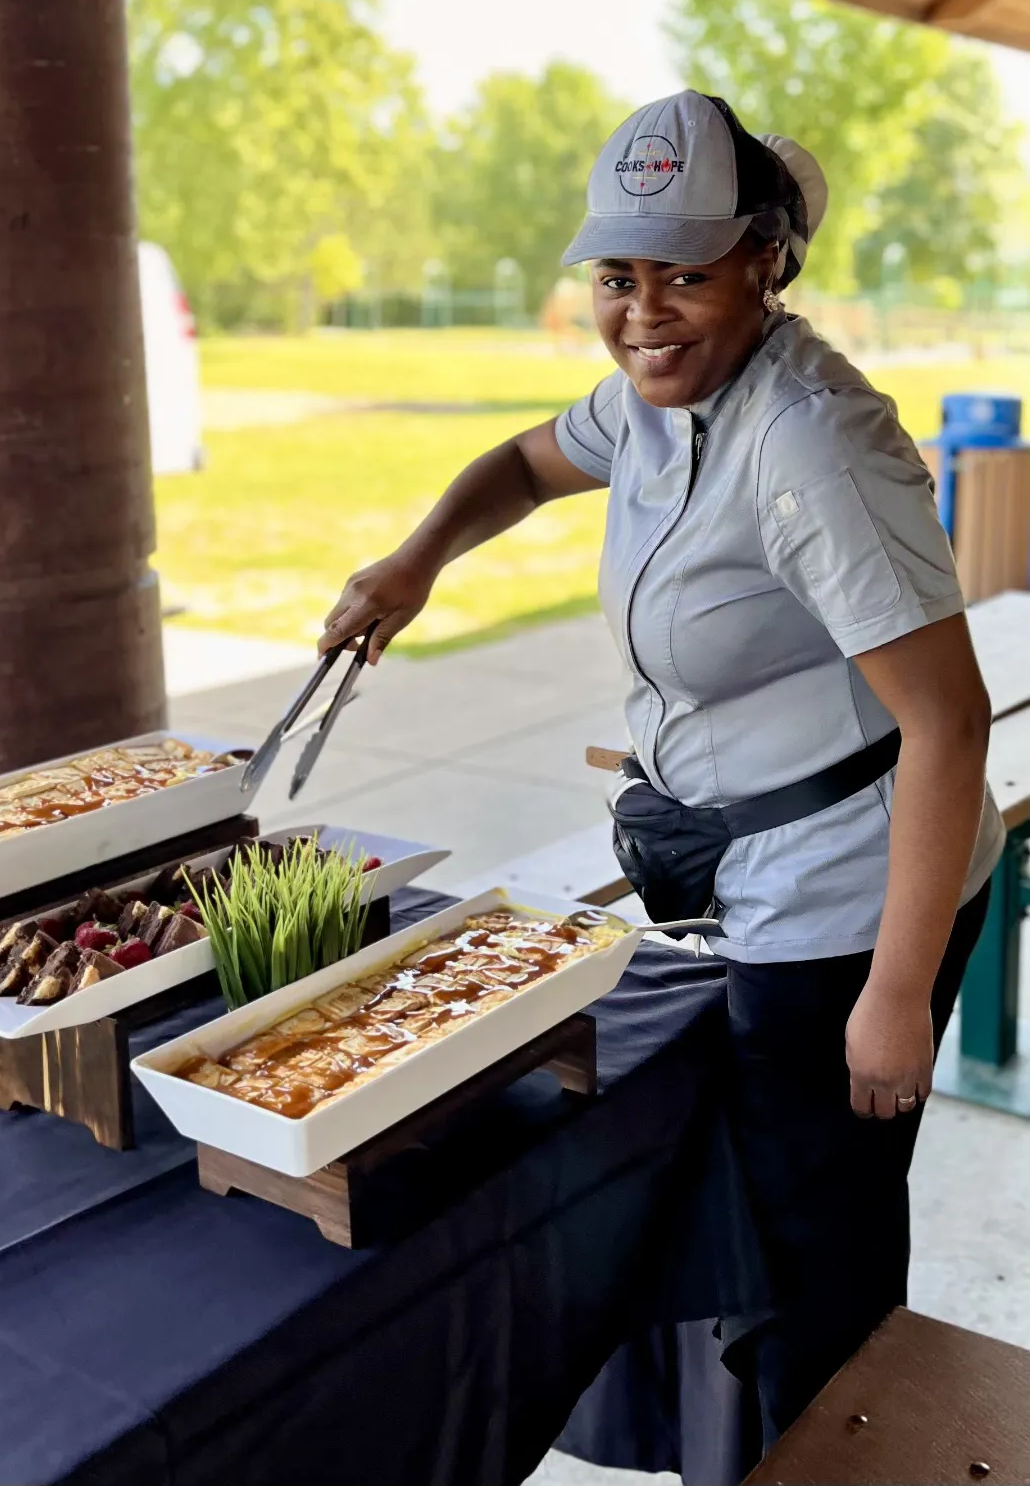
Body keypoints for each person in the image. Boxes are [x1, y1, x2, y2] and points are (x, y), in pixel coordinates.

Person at [319, 91, 1002, 1456]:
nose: (643, 311)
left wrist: (895, 991)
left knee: (819, 1254)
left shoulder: (809, 444)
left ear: (766, 261)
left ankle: (841, 1447)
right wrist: (415, 559)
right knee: (750, 1215)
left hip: (850, 897)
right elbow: (517, 464)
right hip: (734, 856)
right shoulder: (648, 400)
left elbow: (949, 726)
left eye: (684, 273)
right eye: (617, 276)